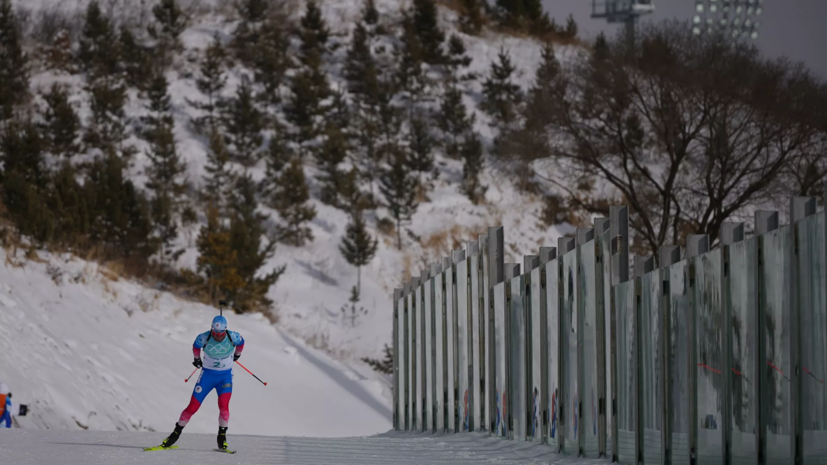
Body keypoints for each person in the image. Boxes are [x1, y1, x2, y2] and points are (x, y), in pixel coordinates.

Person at [159, 314, 245, 451]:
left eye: (220, 332)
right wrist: (197, 359)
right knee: (192, 407)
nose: (217, 335)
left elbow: (241, 342)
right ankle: (175, 434)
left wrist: (237, 355)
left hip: (225, 377)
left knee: (224, 406)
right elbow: (195, 346)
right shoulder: (203, 337)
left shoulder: (232, 336)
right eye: (215, 332)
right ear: (211, 329)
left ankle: (222, 437)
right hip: (207, 376)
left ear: (225, 330)